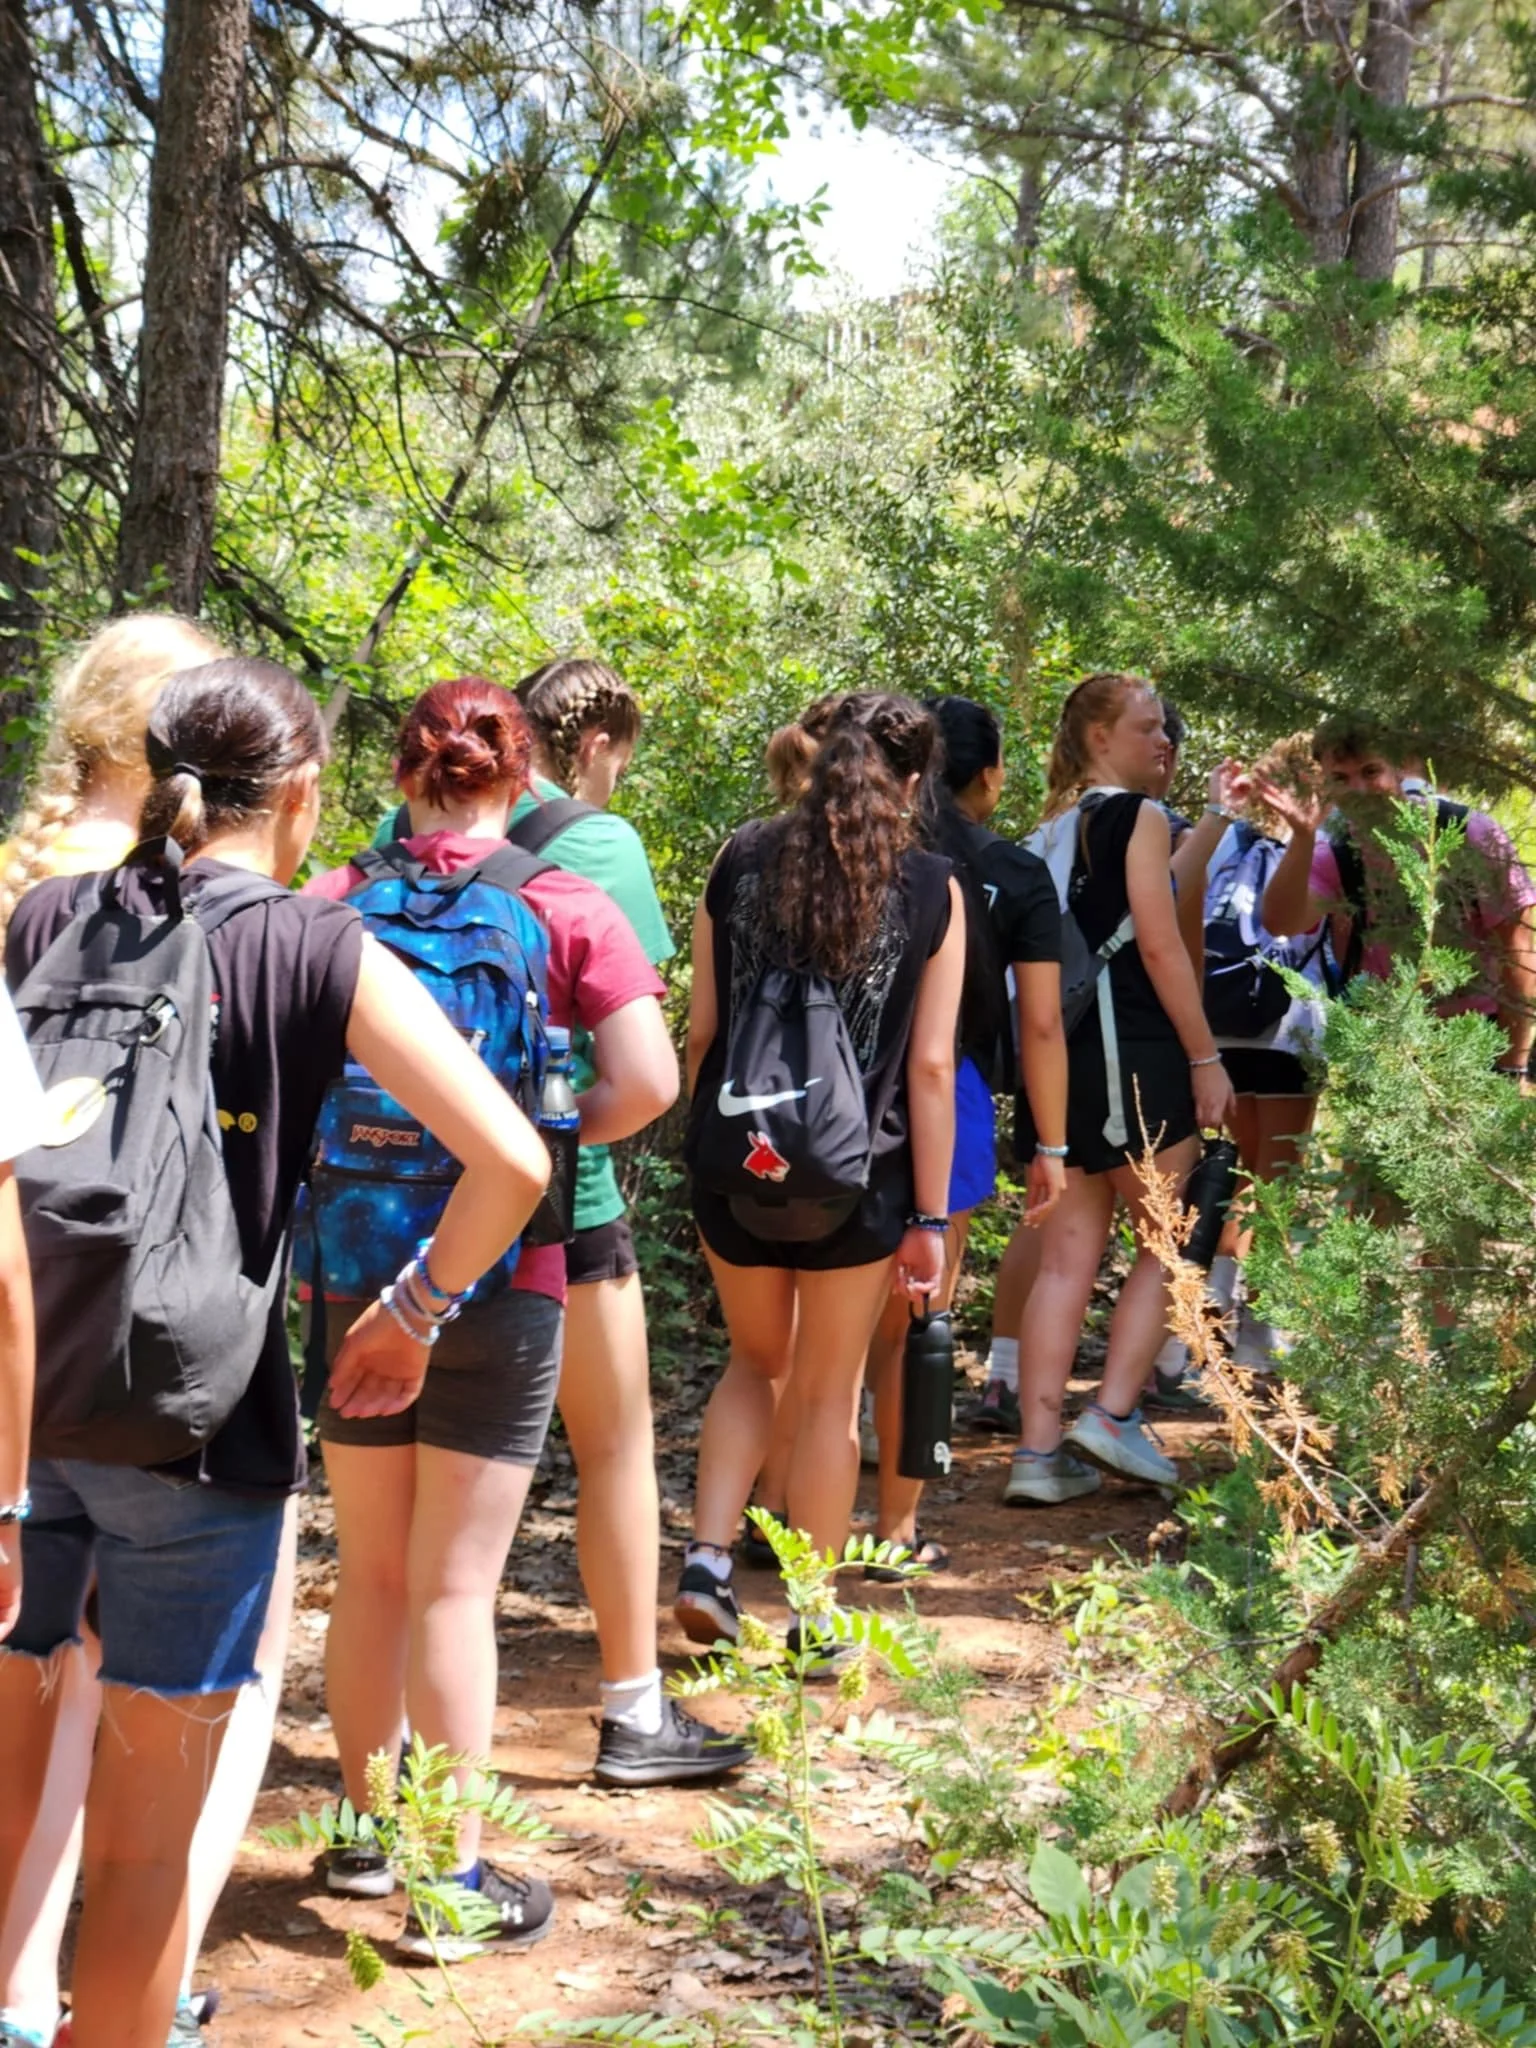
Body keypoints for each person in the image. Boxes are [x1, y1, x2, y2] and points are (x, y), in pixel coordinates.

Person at [0, 657, 552, 2048]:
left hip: (25, 1409)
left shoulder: (44, 919)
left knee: (8, 1815)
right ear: (302, 795)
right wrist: (413, 1311)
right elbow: (514, 1159)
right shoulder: (315, 942)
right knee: (137, 1859)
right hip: (194, 1428)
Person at [310, 679, 748, 1954]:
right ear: (526, 772)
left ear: (404, 770)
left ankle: (356, 1827)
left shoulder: (335, 899)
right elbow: (651, 1080)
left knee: (371, 1569)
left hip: (352, 1267)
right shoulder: (564, 901)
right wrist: (538, 1139)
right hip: (503, 1273)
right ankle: (446, 1882)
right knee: (456, 1583)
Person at [0, 616, 300, 2048]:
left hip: (34, 1368)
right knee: (145, 1711)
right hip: (144, 1372)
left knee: (42, 1698)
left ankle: (35, 1983)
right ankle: (119, 1989)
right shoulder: (144, 906)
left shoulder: (29, 889)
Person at [373, 655, 696, 1778]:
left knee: (385, 1537)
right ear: (580, 749)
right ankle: (634, 1707)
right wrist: (540, 1151)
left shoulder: (372, 859)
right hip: (558, 1221)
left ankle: (381, 1789)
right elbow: (643, 1072)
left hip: (374, 1224)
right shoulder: (592, 851)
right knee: (614, 1449)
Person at [672, 692, 965, 1648]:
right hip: (860, 1181)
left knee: (754, 1365)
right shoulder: (930, 887)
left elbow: (705, 1033)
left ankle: (710, 1561)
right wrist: (930, 1216)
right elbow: (928, 1066)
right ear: (915, 782)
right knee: (831, 1394)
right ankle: (812, 1612)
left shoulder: (740, 860)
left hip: (738, 1166)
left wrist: (707, 1150)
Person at [1004, 673, 1235, 1507]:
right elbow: (1164, 945)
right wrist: (1206, 1058)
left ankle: (1036, 1455)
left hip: (1060, 1066)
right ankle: (1111, 1412)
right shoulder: (1135, 817)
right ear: (1099, 738)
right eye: (1147, 728)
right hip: (1136, 1053)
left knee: (1066, 1263)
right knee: (1171, 1241)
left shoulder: (1049, 832)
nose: (1163, 741)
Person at [864, 696, 1067, 1568]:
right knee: (924, 1309)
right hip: (957, 1089)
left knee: (836, 1312)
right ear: (988, 776)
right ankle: (896, 1523)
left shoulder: (857, 849)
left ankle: (787, 1507)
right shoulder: (1011, 872)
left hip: (845, 1092)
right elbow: (1044, 1025)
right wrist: (1049, 1145)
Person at [1261, 720, 1536, 1077]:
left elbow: (1519, 950)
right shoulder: (1336, 852)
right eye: (1340, 779)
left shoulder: (1469, 833)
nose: (1359, 789)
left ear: (1400, 766)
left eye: (1370, 771)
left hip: (1479, 1035)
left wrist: (1512, 1064)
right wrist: (1302, 836)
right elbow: (1281, 922)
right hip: (1389, 1043)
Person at [1201, 736, 1329, 1372]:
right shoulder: (1318, 848)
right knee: (1277, 1184)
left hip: (1221, 1026)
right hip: (1288, 1030)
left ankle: (1207, 1312)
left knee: (1240, 1174)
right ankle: (1260, 1339)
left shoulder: (1227, 842)